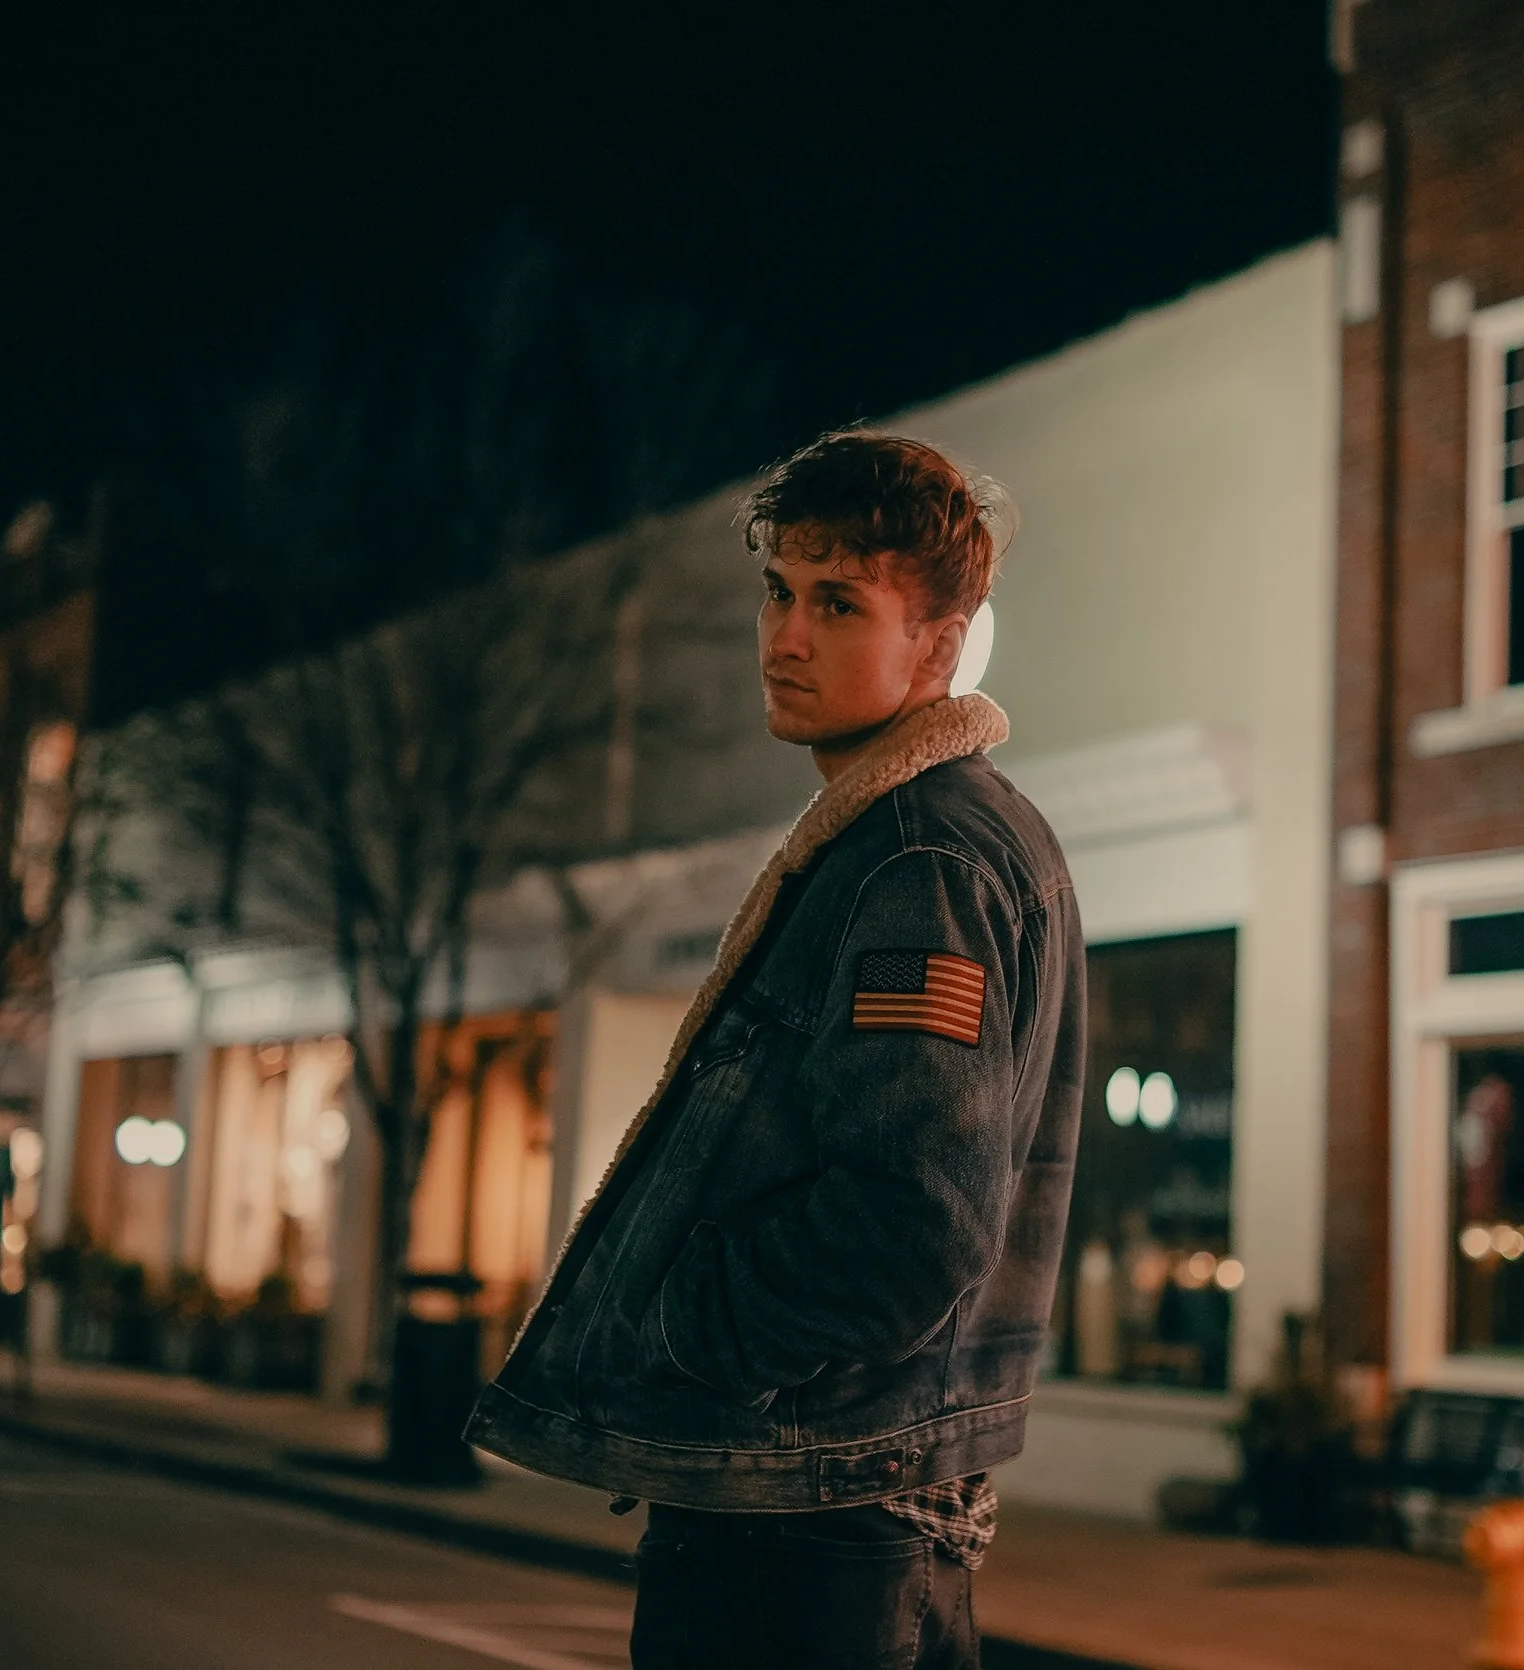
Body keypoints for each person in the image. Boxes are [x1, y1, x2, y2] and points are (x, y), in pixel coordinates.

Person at [465, 431, 1086, 1668]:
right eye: (778, 591)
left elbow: (911, 1223)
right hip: (838, 1515)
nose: (785, 635)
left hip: (809, 1532)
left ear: (937, 647)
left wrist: (689, 1321)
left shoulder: (919, 859)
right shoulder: (925, 837)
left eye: (838, 603)